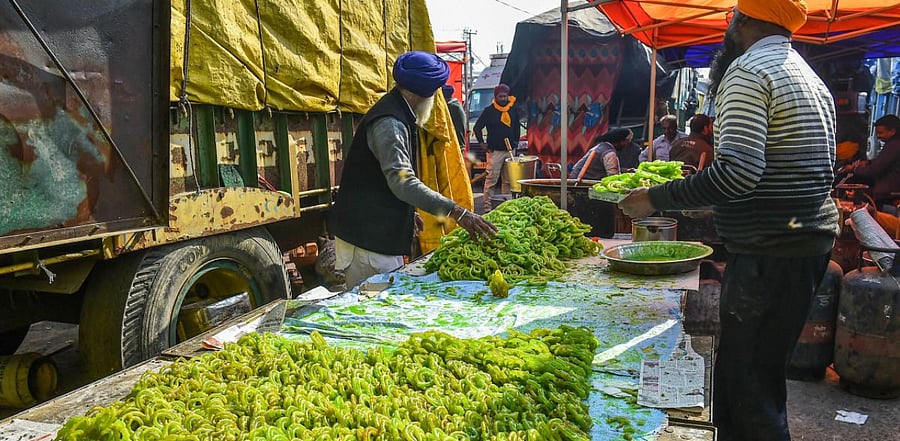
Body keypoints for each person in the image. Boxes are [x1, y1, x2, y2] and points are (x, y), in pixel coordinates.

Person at [620, 2, 839, 440]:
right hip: (803, 245)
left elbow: (737, 173)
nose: (727, 26)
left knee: (746, 393)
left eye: (732, 17)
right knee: (762, 378)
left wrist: (656, 199)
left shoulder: (749, 72)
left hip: (769, 250)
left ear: (744, 22)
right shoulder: (806, 73)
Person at [328, 51, 497, 287]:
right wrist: (458, 213)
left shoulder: (399, 112)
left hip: (376, 234)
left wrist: (405, 214)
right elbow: (403, 182)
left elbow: (384, 179)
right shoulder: (390, 122)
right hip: (368, 242)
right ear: (428, 94)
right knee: (374, 311)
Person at [473, 83, 520, 212]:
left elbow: (517, 127)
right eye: (501, 96)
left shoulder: (513, 109)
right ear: (496, 97)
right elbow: (477, 128)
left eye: (505, 96)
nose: (503, 99)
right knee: (491, 181)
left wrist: (516, 142)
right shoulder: (489, 111)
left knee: (508, 181)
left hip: (510, 150)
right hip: (495, 151)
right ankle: (488, 208)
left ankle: (506, 208)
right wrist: (482, 143)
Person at [845, 114, 900, 208]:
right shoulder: (894, 144)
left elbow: (874, 170)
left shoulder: (894, 145)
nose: (878, 136)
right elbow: (882, 162)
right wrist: (868, 163)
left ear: (892, 131)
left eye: (881, 133)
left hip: (887, 190)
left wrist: (854, 169)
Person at [569, 128, 633, 181]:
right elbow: (613, 176)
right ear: (621, 141)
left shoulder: (600, 146)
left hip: (575, 180)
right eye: (626, 141)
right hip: (583, 184)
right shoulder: (609, 153)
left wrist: (626, 171)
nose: (627, 144)